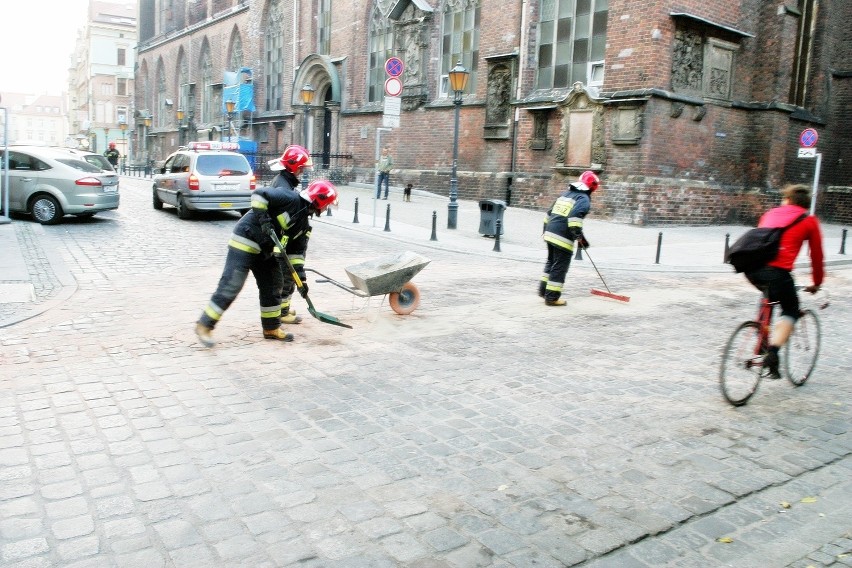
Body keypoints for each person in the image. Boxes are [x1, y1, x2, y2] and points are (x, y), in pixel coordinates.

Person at [194, 175, 337, 348]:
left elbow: (296, 254)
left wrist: (301, 280)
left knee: (274, 283)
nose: (328, 207)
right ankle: (204, 325)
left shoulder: (303, 224)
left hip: (265, 250)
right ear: (320, 201)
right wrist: (264, 220)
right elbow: (259, 195)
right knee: (232, 284)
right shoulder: (289, 197)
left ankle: (271, 328)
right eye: (328, 203)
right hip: (246, 239)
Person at [743, 183, 824, 378]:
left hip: (751, 269)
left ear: (787, 199)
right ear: (805, 204)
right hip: (778, 273)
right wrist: (816, 283)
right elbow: (817, 257)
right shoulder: (809, 221)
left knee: (768, 296)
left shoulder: (770, 213)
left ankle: (761, 341)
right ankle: (773, 352)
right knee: (790, 310)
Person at [266, 145, 313, 324]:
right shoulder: (284, 187)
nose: (302, 171)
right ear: (293, 166)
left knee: (288, 279)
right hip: (279, 242)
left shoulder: (283, 181)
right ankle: (282, 312)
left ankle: (284, 309)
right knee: (286, 279)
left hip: (280, 241)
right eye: (301, 168)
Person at [539, 170, 600, 306]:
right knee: (559, 267)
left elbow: (548, 214)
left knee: (551, 262)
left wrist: (545, 231)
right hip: (562, 237)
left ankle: (544, 291)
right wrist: (579, 237)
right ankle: (552, 298)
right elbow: (574, 218)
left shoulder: (566, 194)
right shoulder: (583, 199)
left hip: (550, 232)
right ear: (593, 187)